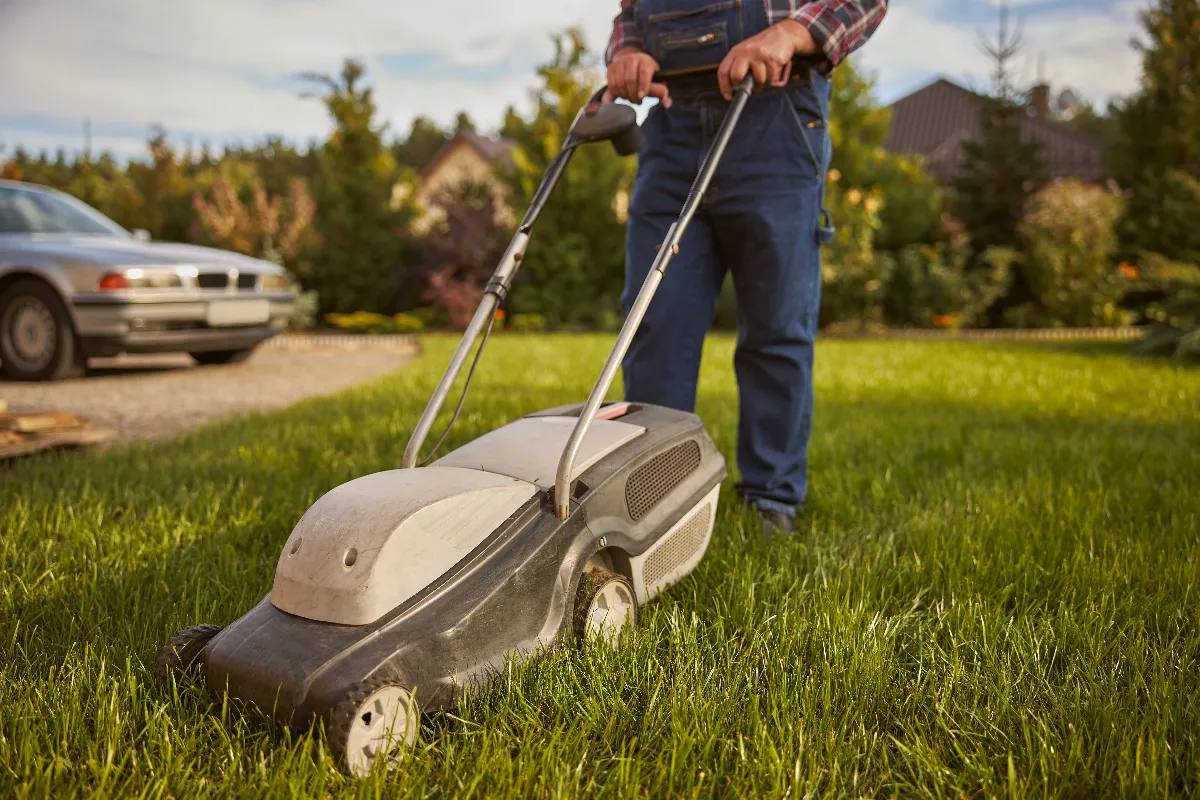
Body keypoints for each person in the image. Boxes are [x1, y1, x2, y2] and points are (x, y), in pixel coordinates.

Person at [603, 0, 888, 536]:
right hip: (672, 131)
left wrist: (791, 31)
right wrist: (628, 51)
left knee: (776, 326)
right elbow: (631, 17)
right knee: (654, 323)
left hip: (775, 122)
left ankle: (770, 498)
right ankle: (658, 491)